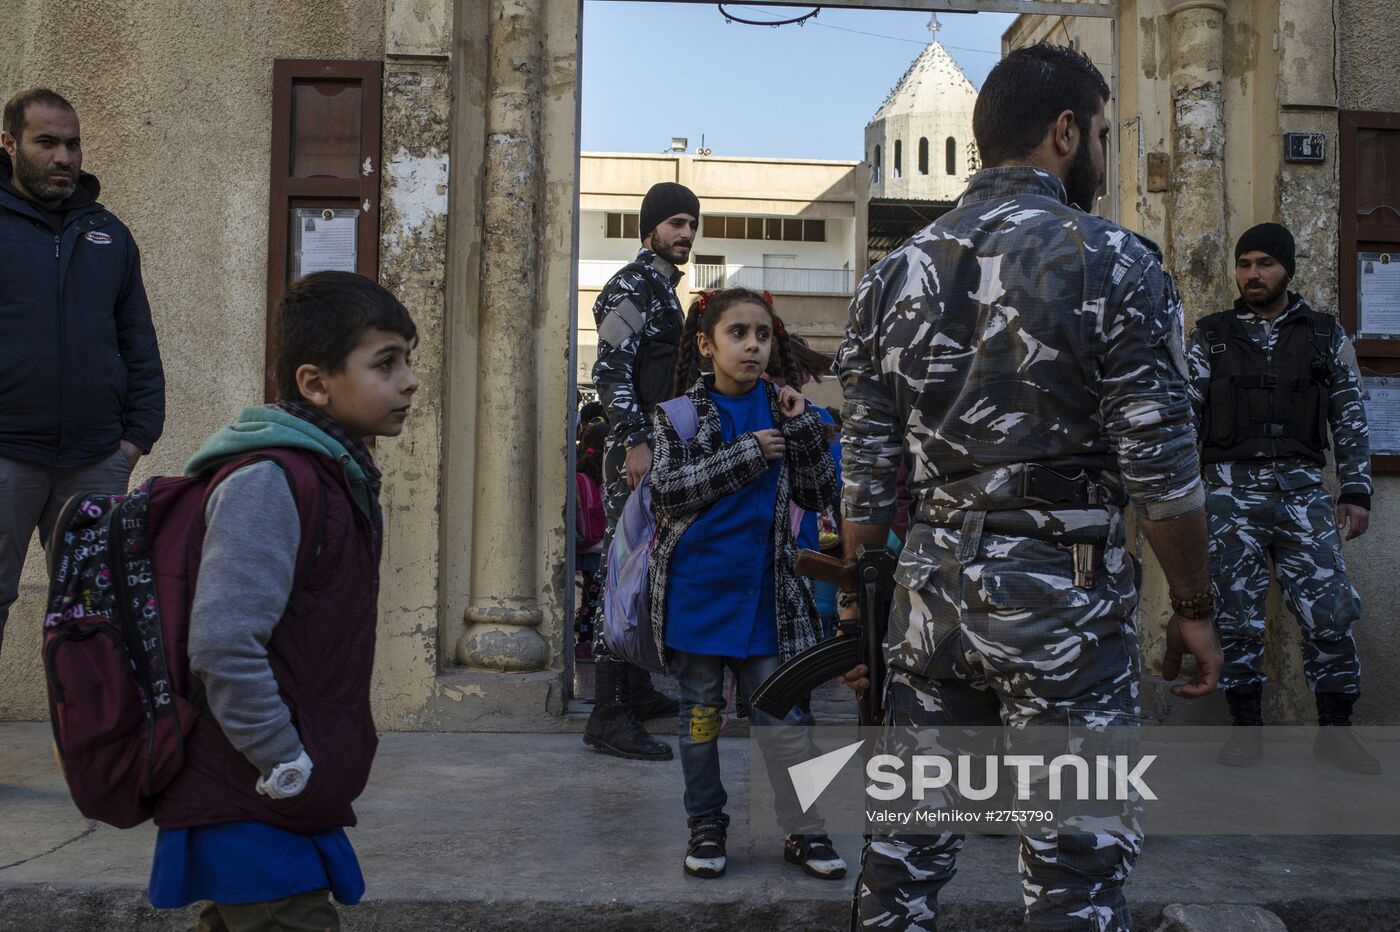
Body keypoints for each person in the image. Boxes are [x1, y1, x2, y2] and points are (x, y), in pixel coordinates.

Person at [834, 43, 1222, 930]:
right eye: (1097, 134)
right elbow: (1163, 475)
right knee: (1073, 861)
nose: (1098, 153)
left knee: (904, 852)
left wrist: (863, 606)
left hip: (929, 594)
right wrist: (1194, 604)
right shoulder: (1116, 261)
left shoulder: (890, 278)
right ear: (1063, 133)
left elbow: (866, 479)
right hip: (1063, 595)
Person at [147, 271, 418, 929]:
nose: (409, 380)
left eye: (410, 359)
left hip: (271, 795)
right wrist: (282, 757)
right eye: (386, 363)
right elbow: (222, 642)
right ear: (315, 383)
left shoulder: (335, 476)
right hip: (250, 792)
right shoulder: (271, 481)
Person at [648, 288, 844, 880]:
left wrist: (803, 426)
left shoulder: (790, 410)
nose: (752, 346)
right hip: (697, 598)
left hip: (768, 601)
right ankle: (706, 827)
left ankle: (804, 831)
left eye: (761, 334)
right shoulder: (676, 416)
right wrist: (748, 454)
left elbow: (818, 495)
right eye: (737, 334)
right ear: (707, 345)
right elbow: (667, 492)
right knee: (701, 716)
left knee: (786, 723)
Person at [1188, 223, 1380, 774]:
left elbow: (1350, 418)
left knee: (1331, 614)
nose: (1253, 274)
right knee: (1237, 617)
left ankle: (1337, 732)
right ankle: (1246, 730)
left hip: (1303, 496)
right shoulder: (1210, 336)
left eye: (1265, 264)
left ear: (1287, 270)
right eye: (1245, 263)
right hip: (1228, 498)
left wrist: (1357, 490)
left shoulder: (1324, 335)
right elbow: (1183, 418)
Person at [0, 87, 164, 652]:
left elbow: (138, 343)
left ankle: (88, 737)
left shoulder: (109, 235)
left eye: (72, 144)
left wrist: (134, 440)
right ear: (9, 143)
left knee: (96, 605)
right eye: (46, 142)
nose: (64, 157)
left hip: (95, 460)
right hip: (6, 456)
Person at [584, 181, 701, 760]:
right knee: (621, 570)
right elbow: (609, 370)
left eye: (691, 225)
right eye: (675, 223)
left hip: (658, 452)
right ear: (650, 228)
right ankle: (608, 712)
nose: (685, 234)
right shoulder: (631, 287)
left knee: (643, 565)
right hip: (633, 455)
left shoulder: (664, 289)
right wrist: (633, 440)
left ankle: (634, 687)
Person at [574, 419, 609, 658]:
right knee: (597, 601)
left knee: (590, 597)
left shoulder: (580, 474)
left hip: (584, 549)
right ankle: (587, 643)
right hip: (600, 550)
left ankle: (585, 639)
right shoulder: (606, 476)